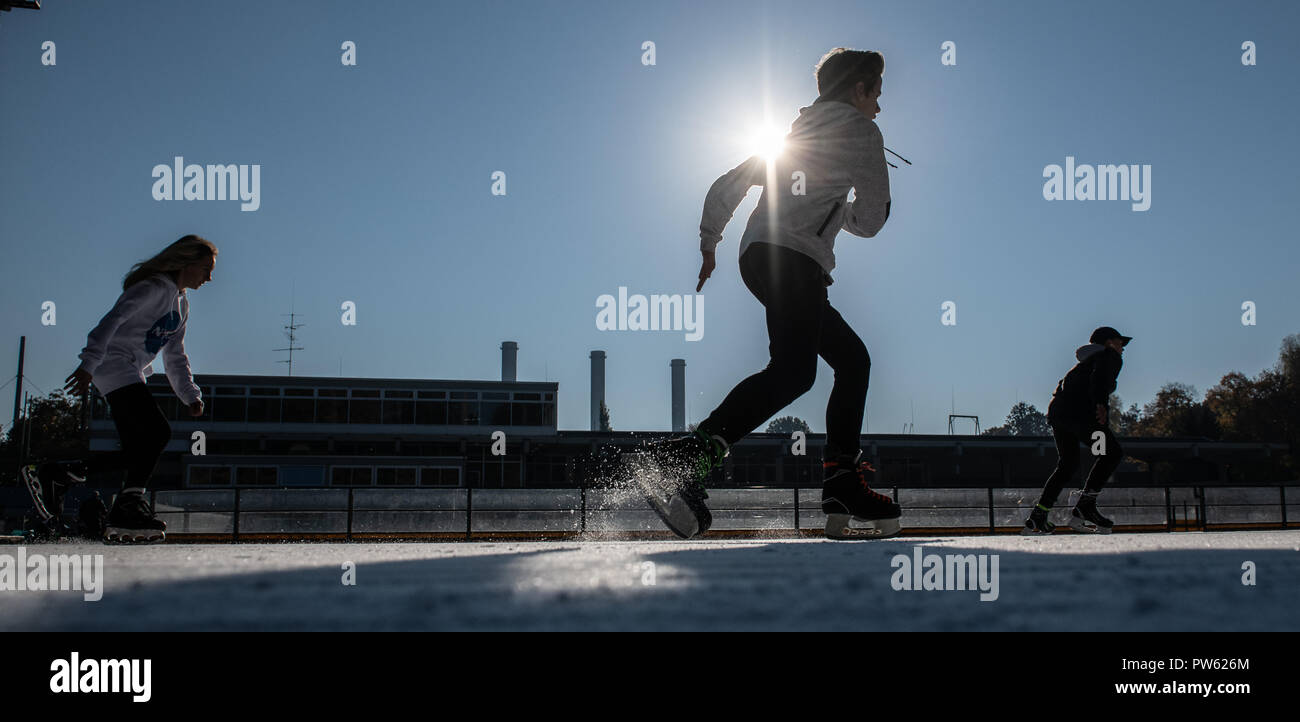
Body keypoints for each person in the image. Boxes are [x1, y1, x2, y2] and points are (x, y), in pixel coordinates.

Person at [640, 48, 901, 540]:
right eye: (877, 95)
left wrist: (709, 243)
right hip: (794, 259)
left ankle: (841, 479)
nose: (879, 109)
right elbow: (870, 221)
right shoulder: (864, 133)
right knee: (794, 371)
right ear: (859, 89)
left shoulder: (795, 132)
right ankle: (685, 458)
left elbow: (729, 182)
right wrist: (853, 209)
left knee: (852, 360)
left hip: (757, 255)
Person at [22, 235, 216, 543]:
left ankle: (63, 474)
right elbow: (111, 322)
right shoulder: (152, 288)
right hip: (112, 363)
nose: (209, 276)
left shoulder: (182, 305)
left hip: (129, 369)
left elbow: (175, 354)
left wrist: (190, 394)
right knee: (157, 433)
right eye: (205, 268)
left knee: (139, 448)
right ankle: (126, 501)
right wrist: (88, 364)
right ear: (186, 263)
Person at [1021, 326, 1131, 535]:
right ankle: (1085, 506)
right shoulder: (1109, 357)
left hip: (1059, 415)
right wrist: (1101, 405)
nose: (1122, 349)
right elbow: (1099, 381)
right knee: (1111, 453)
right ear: (1108, 343)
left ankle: (1039, 515)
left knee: (1069, 464)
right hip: (1079, 416)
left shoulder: (1082, 365)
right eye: (1120, 343)